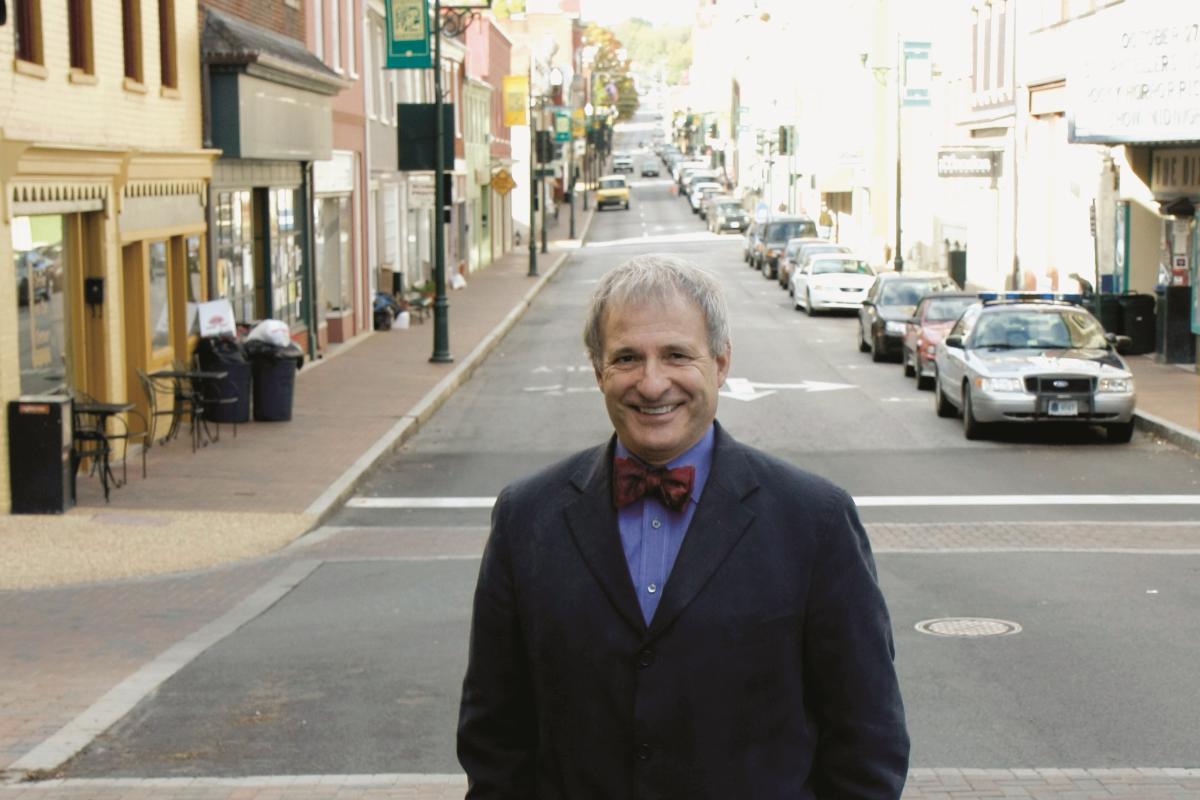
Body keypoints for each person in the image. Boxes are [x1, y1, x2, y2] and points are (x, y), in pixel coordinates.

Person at [458, 254, 909, 799]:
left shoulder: (815, 520)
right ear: (598, 369)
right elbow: (495, 737)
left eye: (676, 355)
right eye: (627, 357)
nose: (652, 384)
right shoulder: (526, 517)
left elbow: (867, 738)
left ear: (720, 363)